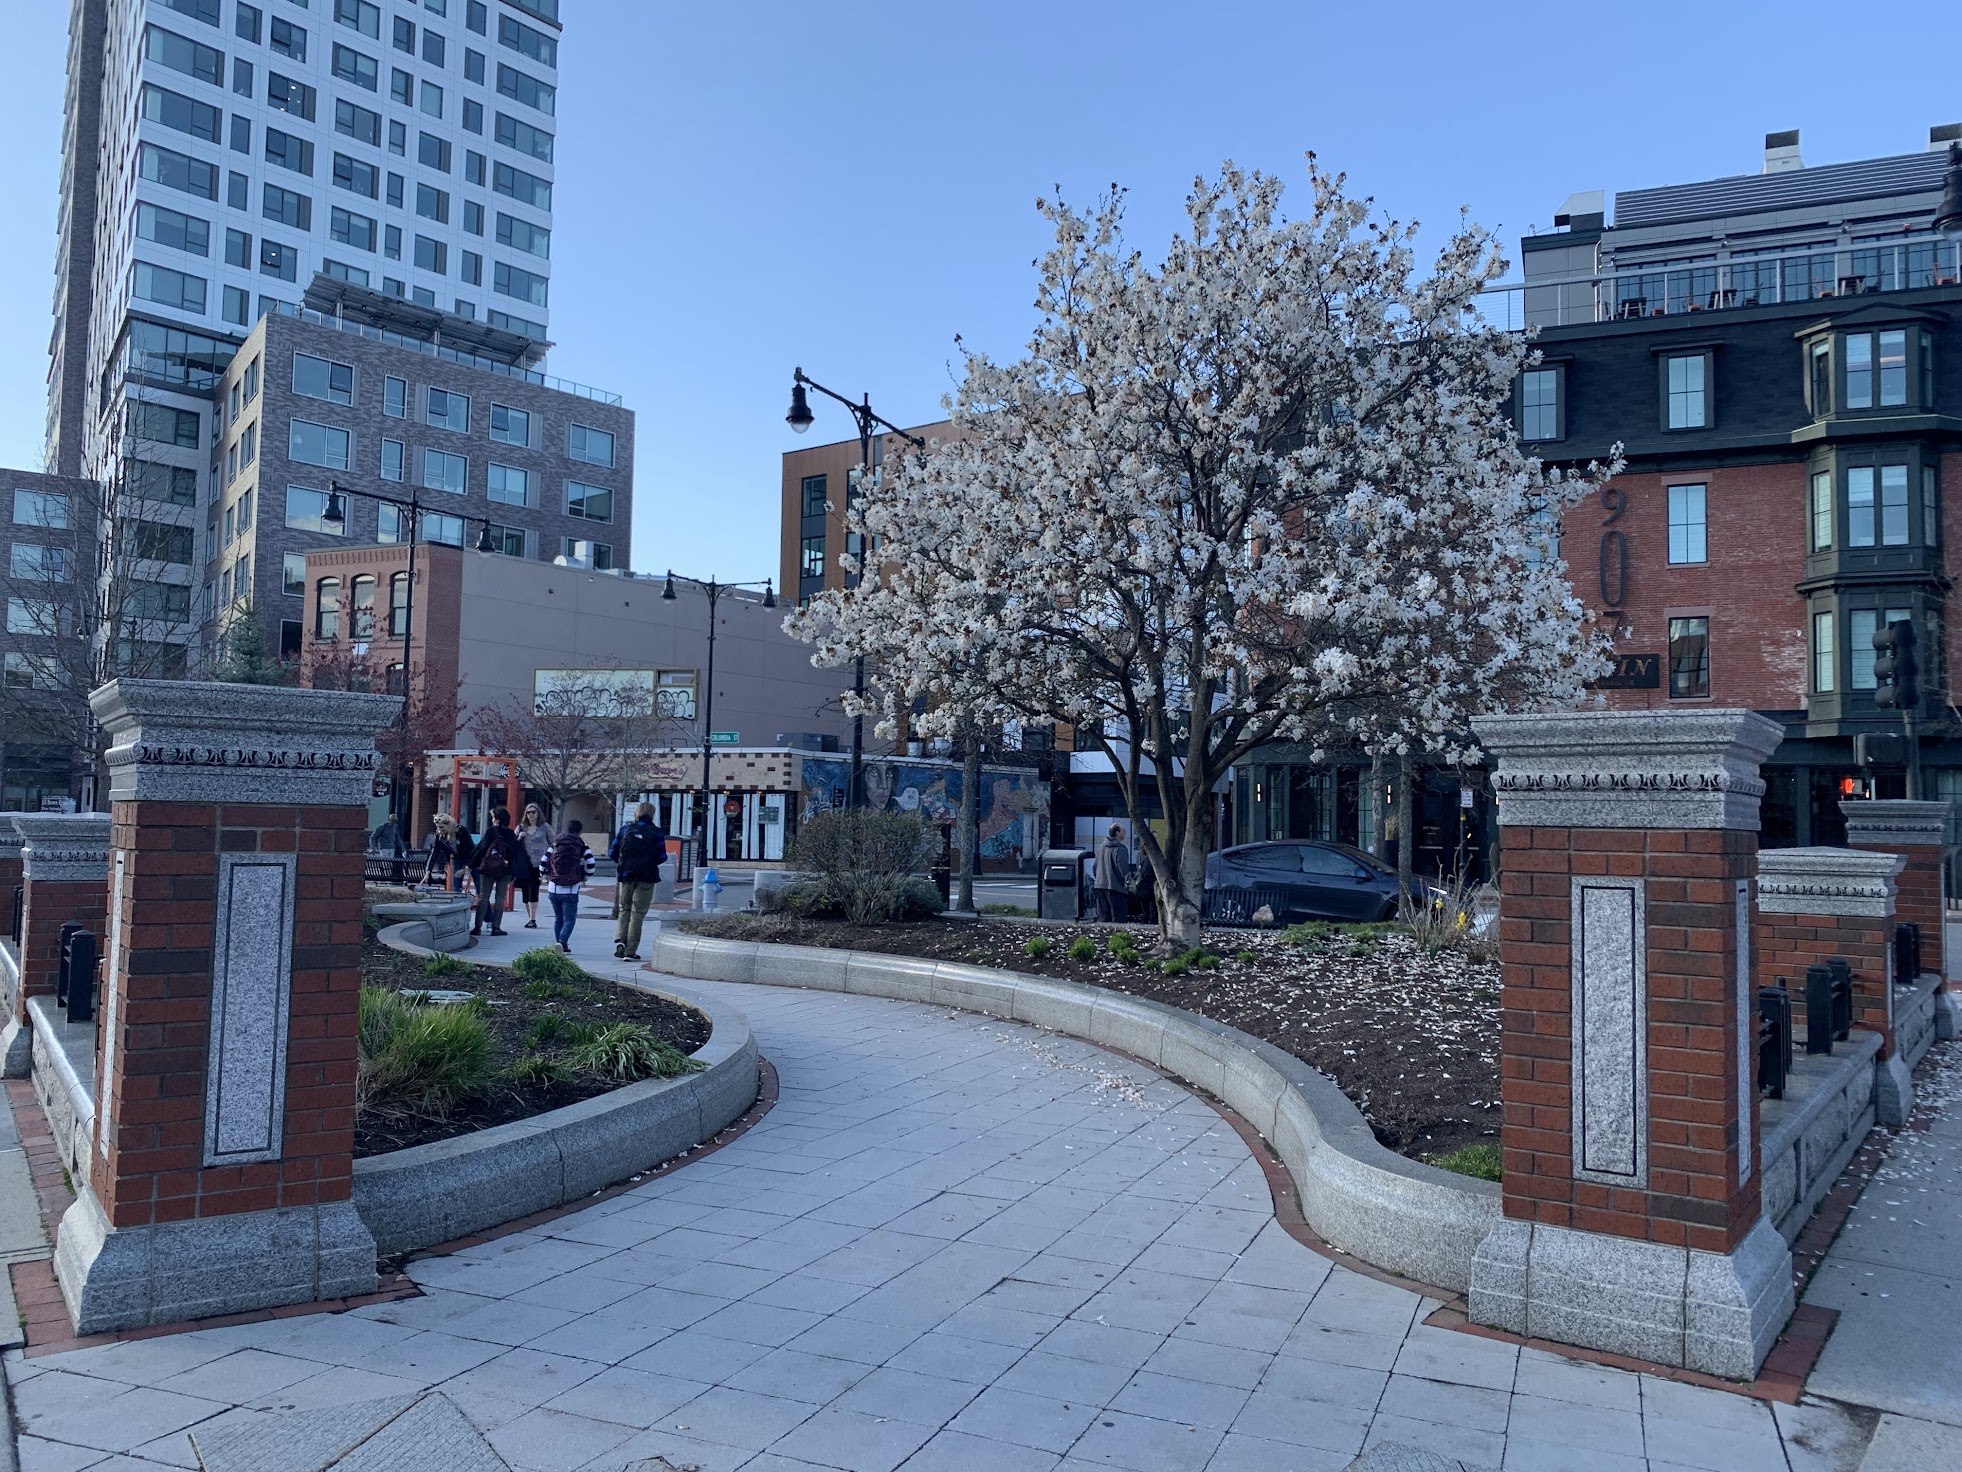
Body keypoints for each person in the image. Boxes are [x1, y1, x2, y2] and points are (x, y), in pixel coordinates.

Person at [612, 801, 668, 961]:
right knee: (638, 913)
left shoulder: (625, 829)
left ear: (637, 812)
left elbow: (612, 851)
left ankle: (620, 940)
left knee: (625, 909)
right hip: (647, 876)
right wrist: (648, 863)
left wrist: (624, 863)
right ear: (652, 814)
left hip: (627, 875)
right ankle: (631, 950)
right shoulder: (656, 832)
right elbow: (662, 856)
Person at [545, 820, 597, 953]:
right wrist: (585, 876)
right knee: (569, 919)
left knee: (559, 918)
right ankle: (562, 942)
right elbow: (591, 864)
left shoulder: (556, 843)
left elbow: (543, 862)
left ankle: (559, 944)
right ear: (580, 831)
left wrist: (545, 875)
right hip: (571, 888)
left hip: (553, 887)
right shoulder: (581, 845)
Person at [471, 807, 523, 938]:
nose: (492, 820)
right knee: (500, 898)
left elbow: (481, 848)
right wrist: (513, 872)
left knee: (483, 896)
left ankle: (477, 927)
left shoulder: (491, 832)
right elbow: (514, 854)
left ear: (497, 819)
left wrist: (472, 863)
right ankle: (496, 927)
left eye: (494, 817)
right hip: (504, 869)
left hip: (487, 869)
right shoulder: (511, 834)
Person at [517, 803, 555, 929]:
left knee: (534, 889)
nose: (531, 815)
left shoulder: (545, 827)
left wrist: (551, 858)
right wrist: (519, 837)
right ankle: (529, 918)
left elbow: (554, 842)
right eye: (528, 812)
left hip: (539, 863)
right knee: (525, 891)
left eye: (533, 812)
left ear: (538, 813)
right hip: (525, 863)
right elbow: (513, 844)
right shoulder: (521, 828)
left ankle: (533, 919)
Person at [1094, 823, 1132, 923]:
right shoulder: (1120, 849)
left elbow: (1095, 867)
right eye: (1123, 830)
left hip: (1100, 885)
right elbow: (1123, 871)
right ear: (1117, 833)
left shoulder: (1101, 848)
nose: (1125, 832)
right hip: (1116, 888)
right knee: (1118, 919)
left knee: (1103, 918)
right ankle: (1117, 938)